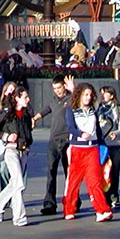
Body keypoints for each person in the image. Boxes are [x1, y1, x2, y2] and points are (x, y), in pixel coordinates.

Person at [62, 83, 114, 222]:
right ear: (79, 95)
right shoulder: (71, 109)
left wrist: (103, 145)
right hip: (77, 149)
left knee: (95, 180)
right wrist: (80, 133)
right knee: (74, 181)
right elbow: (70, 127)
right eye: (85, 94)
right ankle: (69, 208)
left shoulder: (93, 110)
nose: (88, 97)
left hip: (92, 149)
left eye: (90, 95)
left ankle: (102, 210)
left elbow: (97, 129)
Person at [0, 85, 34, 227]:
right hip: (11, 151)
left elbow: (28, 133)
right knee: (19, 183)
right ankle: (19, 217)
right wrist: (6, 136)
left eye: (27, 96)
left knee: (14, 183)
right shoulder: (7, 113)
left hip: (23, 151)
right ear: (17, 99)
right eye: (25, 97)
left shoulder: (26, 115)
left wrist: (27, 144)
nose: (28, 99)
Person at [32, 73, 76, 215]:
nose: (57, 91)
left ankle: (73, 201)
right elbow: (46, 110)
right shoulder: (53, 100)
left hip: (67, 140)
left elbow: (81, 101)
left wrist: (73, 90)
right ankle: (49, 204)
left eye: (59, 88)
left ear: (64, 86)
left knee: (69, 174)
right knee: (51, 172)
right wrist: (35, 118)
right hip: (53, 140)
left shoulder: (70, 99)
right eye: (54, 88)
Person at [97, 85, 120, 211]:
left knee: (114, 172)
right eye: (101, 93)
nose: (103, 96)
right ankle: (105, 197)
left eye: (105, 93)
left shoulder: (119, 110)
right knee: (104, 172)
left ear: (112, 95)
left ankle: (114, 196)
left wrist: (116, 133)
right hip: (103, 145)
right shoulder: (99, 110)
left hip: (117, 145)